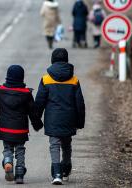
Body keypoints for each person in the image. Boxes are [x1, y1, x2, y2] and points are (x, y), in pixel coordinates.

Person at [34, 48, 85, 185]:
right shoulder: (74, 80)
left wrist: (36, 118)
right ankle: (66, 169)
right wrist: (80, 122)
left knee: (54, 145)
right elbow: (79, 103)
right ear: (66, 60)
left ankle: (56, 173)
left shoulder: (46, 79)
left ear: (52, 60)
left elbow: (40, 101)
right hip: (69, 118)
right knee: (66, 144)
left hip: (53, 118)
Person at [0, 65, 43, 184]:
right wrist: (37, 124)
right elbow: (33, 113)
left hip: (5, 129)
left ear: (7, 77)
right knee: (20, 150)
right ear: (22, 78)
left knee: (7, 148)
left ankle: (8, 161)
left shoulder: (0, 91)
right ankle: (19, 174)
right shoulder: (26, 94)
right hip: (21, 130)